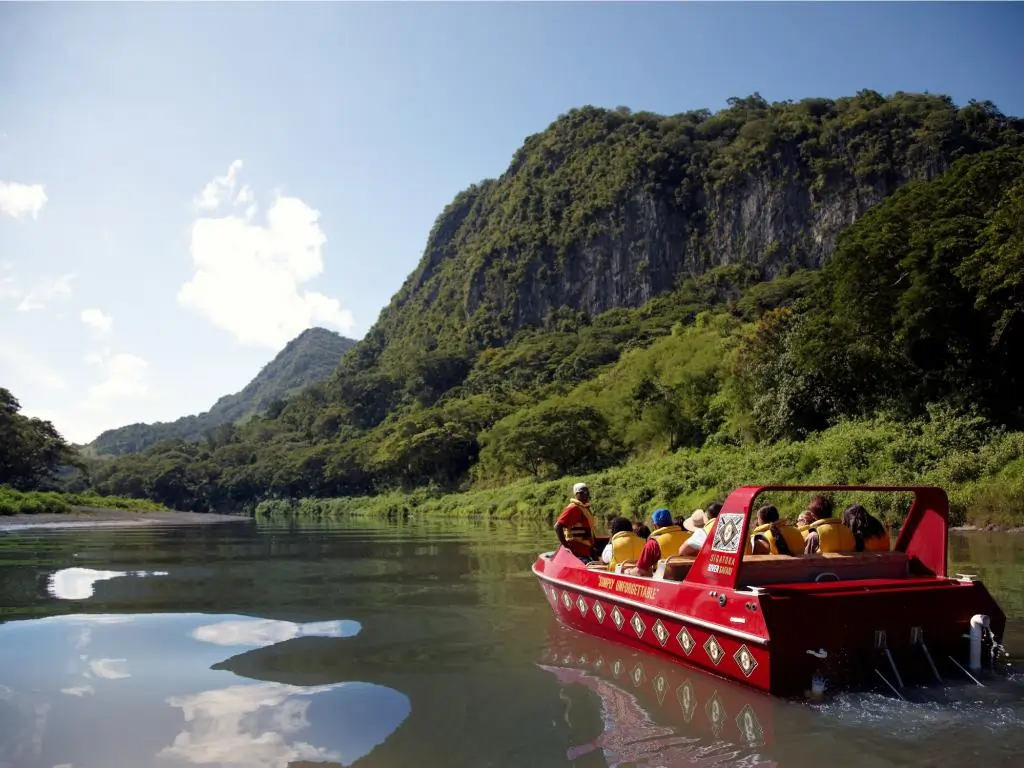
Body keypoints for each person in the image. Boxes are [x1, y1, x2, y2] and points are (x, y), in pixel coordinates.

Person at [626, 508, 690, 577]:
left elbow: (640, 571)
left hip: (666, 582)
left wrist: (628, 572)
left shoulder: (653, 542)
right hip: (691, 578)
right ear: (671, 522)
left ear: (655, 526)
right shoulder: (689, 536)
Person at [555, 482, 597, 562]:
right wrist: (565, 545)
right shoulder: (573, 508)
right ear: (577, 494)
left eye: (587, 492)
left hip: (586, 549)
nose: (587, 494)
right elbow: (557, 526)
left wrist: (592, 547)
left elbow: (589, 529)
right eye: (583, 492)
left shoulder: (584, 508)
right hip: (577, 551)